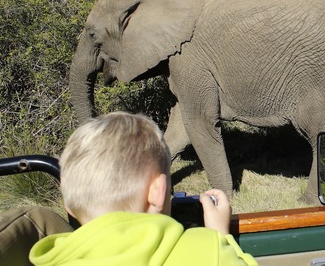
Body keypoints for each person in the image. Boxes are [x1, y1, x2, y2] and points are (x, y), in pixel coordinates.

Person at [29, 111, 258, 265]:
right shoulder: (209, 251)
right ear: (159, 191)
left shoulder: (52, 258)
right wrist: (221, 237)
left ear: (68, 205)